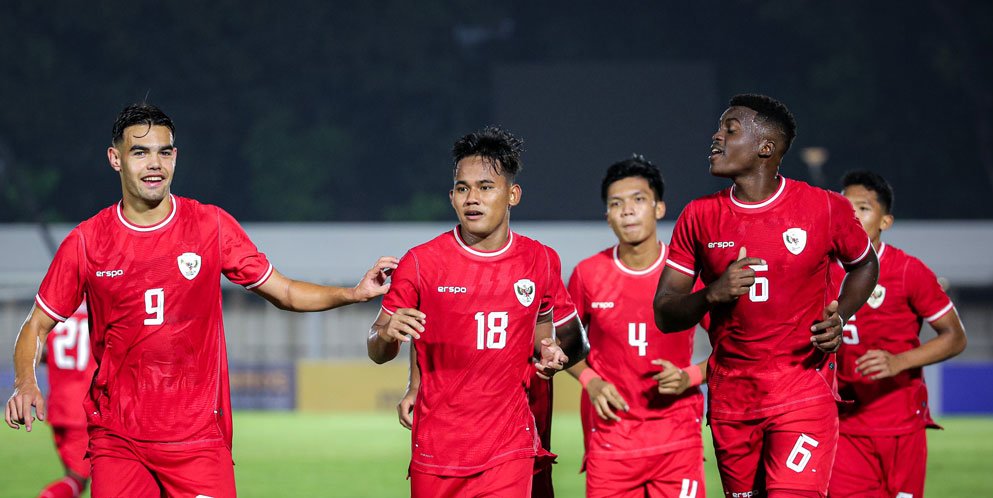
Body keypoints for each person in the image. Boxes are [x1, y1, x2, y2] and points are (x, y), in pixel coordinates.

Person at [5, 103, 397, 498]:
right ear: (115, 159)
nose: (154, 163)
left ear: (175, 156)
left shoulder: (210, 226)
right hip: (118, 440)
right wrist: (25, 383)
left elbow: (286, 292)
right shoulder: (87, 242)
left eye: (164, 151)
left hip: (197, 441)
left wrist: (354, 292)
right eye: (140, 152)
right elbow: (36, 325)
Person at [653, 94, 879, 498]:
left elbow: (864, 264)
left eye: (730, 129)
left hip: (802, 392)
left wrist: (841, 316)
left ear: (766, 147)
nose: (716, 136)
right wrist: (712, 294)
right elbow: (666, 312)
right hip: (731, 402)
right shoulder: (698, 216)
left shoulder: (824, 208)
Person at [368, 125, 589, 497]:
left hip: (508, 447)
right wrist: (387, 335)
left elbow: (547, 340)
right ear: (452, 197)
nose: (473, 197)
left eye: (486, 187)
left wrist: (550, 353)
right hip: (437, 447)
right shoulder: (421, 262)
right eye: (462, 188)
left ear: (512, 194)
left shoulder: (540, 260)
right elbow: (377, 348)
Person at [567, 155, 707, 498]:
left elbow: (735, 345)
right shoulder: (588, 274)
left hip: (677, 441)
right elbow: (562, 343)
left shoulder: (687, 273)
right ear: (608, 216)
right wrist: (591, 381)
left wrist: (691, 376)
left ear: (659, 208)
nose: (627, 210)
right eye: (617, 204)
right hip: (611, 441)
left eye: (638, 200)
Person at [828, 170, 967, 498]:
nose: (852, 216)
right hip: (843, 425)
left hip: (901, 425)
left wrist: (898, 362)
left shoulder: (908, 271)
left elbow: (955, 336)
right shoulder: (819, 272)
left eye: (862, 208)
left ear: (885, 221)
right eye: (844, 208)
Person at [397, 348, 557, 498]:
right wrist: (415, 386)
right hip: (439, 443)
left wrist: (552, 346)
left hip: (508, 441)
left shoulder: (531, 317)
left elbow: (556, 330)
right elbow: (410, 333)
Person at [38, 304, 96, 498]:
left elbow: (43, 353)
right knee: (78, 479)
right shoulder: (97, 314)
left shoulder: (56, 313)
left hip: (58, 408)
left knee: (75, 478)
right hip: (83, 411)